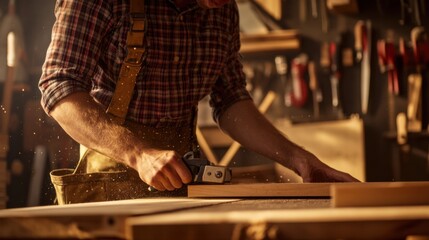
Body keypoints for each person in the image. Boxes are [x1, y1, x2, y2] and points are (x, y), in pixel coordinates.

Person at [39, 0, 358, 199]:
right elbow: (58, 86)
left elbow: (232, 101)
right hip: (108, 180)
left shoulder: (222, 12)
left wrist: (301, 161)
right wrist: (138, 154)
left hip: (181, 184)